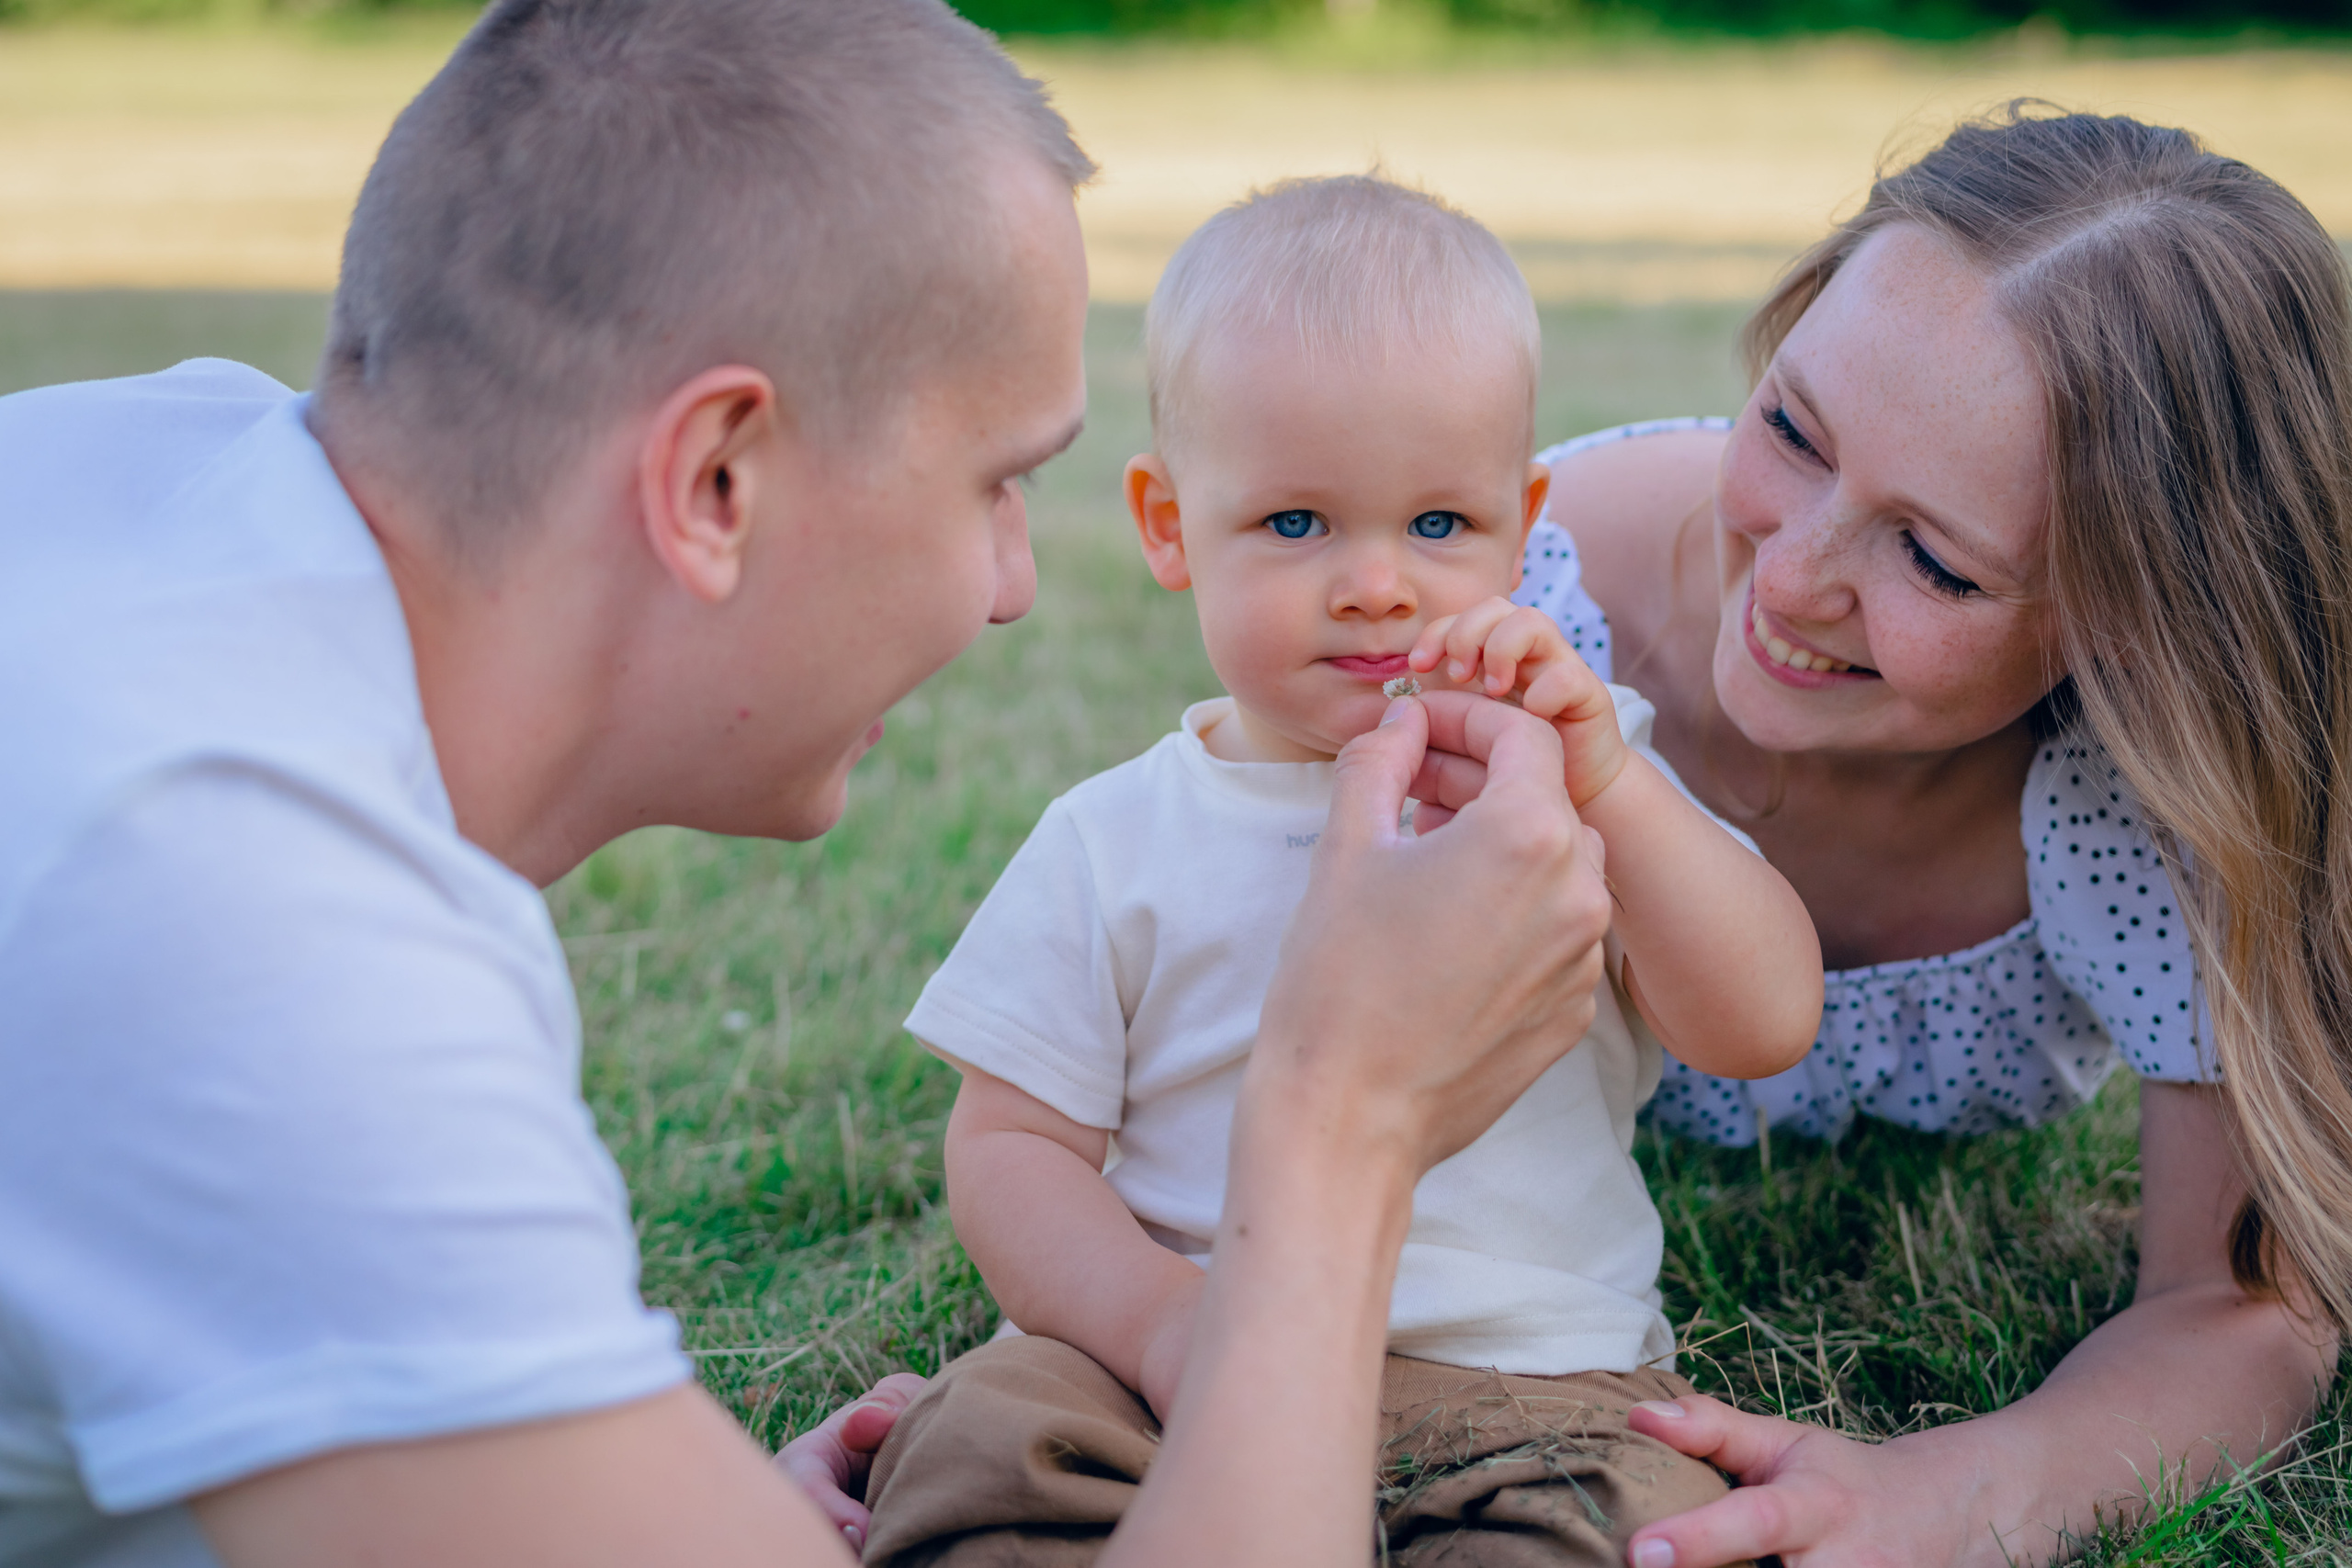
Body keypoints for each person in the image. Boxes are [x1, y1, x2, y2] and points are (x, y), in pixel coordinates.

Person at [0, 4, 1622, 1566]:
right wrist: (1346, 1114)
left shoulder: (144, 477)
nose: (1012, 588)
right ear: (717, 480)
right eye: (997, 485)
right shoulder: (249, 933)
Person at [854, 175, 1822, 1568]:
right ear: (1170, 525)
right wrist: (1152, 1325)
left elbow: (1763, 1018)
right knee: (990, 1444)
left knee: (1627, 1528)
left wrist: (1612, 789)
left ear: (1522, 515)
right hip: (1162, 1367)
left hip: (1533, 1383)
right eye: (1297, 524)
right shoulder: (1115, 834)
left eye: (1438, 525)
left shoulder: (1569, 799)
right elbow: (1010, 1149)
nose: (1377, 584)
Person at [1495, 106, 2347, 1567]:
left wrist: (1969, 1486)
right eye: (1791, 431)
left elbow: (2245, 1298)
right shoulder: (1512, 607)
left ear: (2133, 628)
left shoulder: (2148, 805)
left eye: (1937, 561)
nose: (1797, 574)